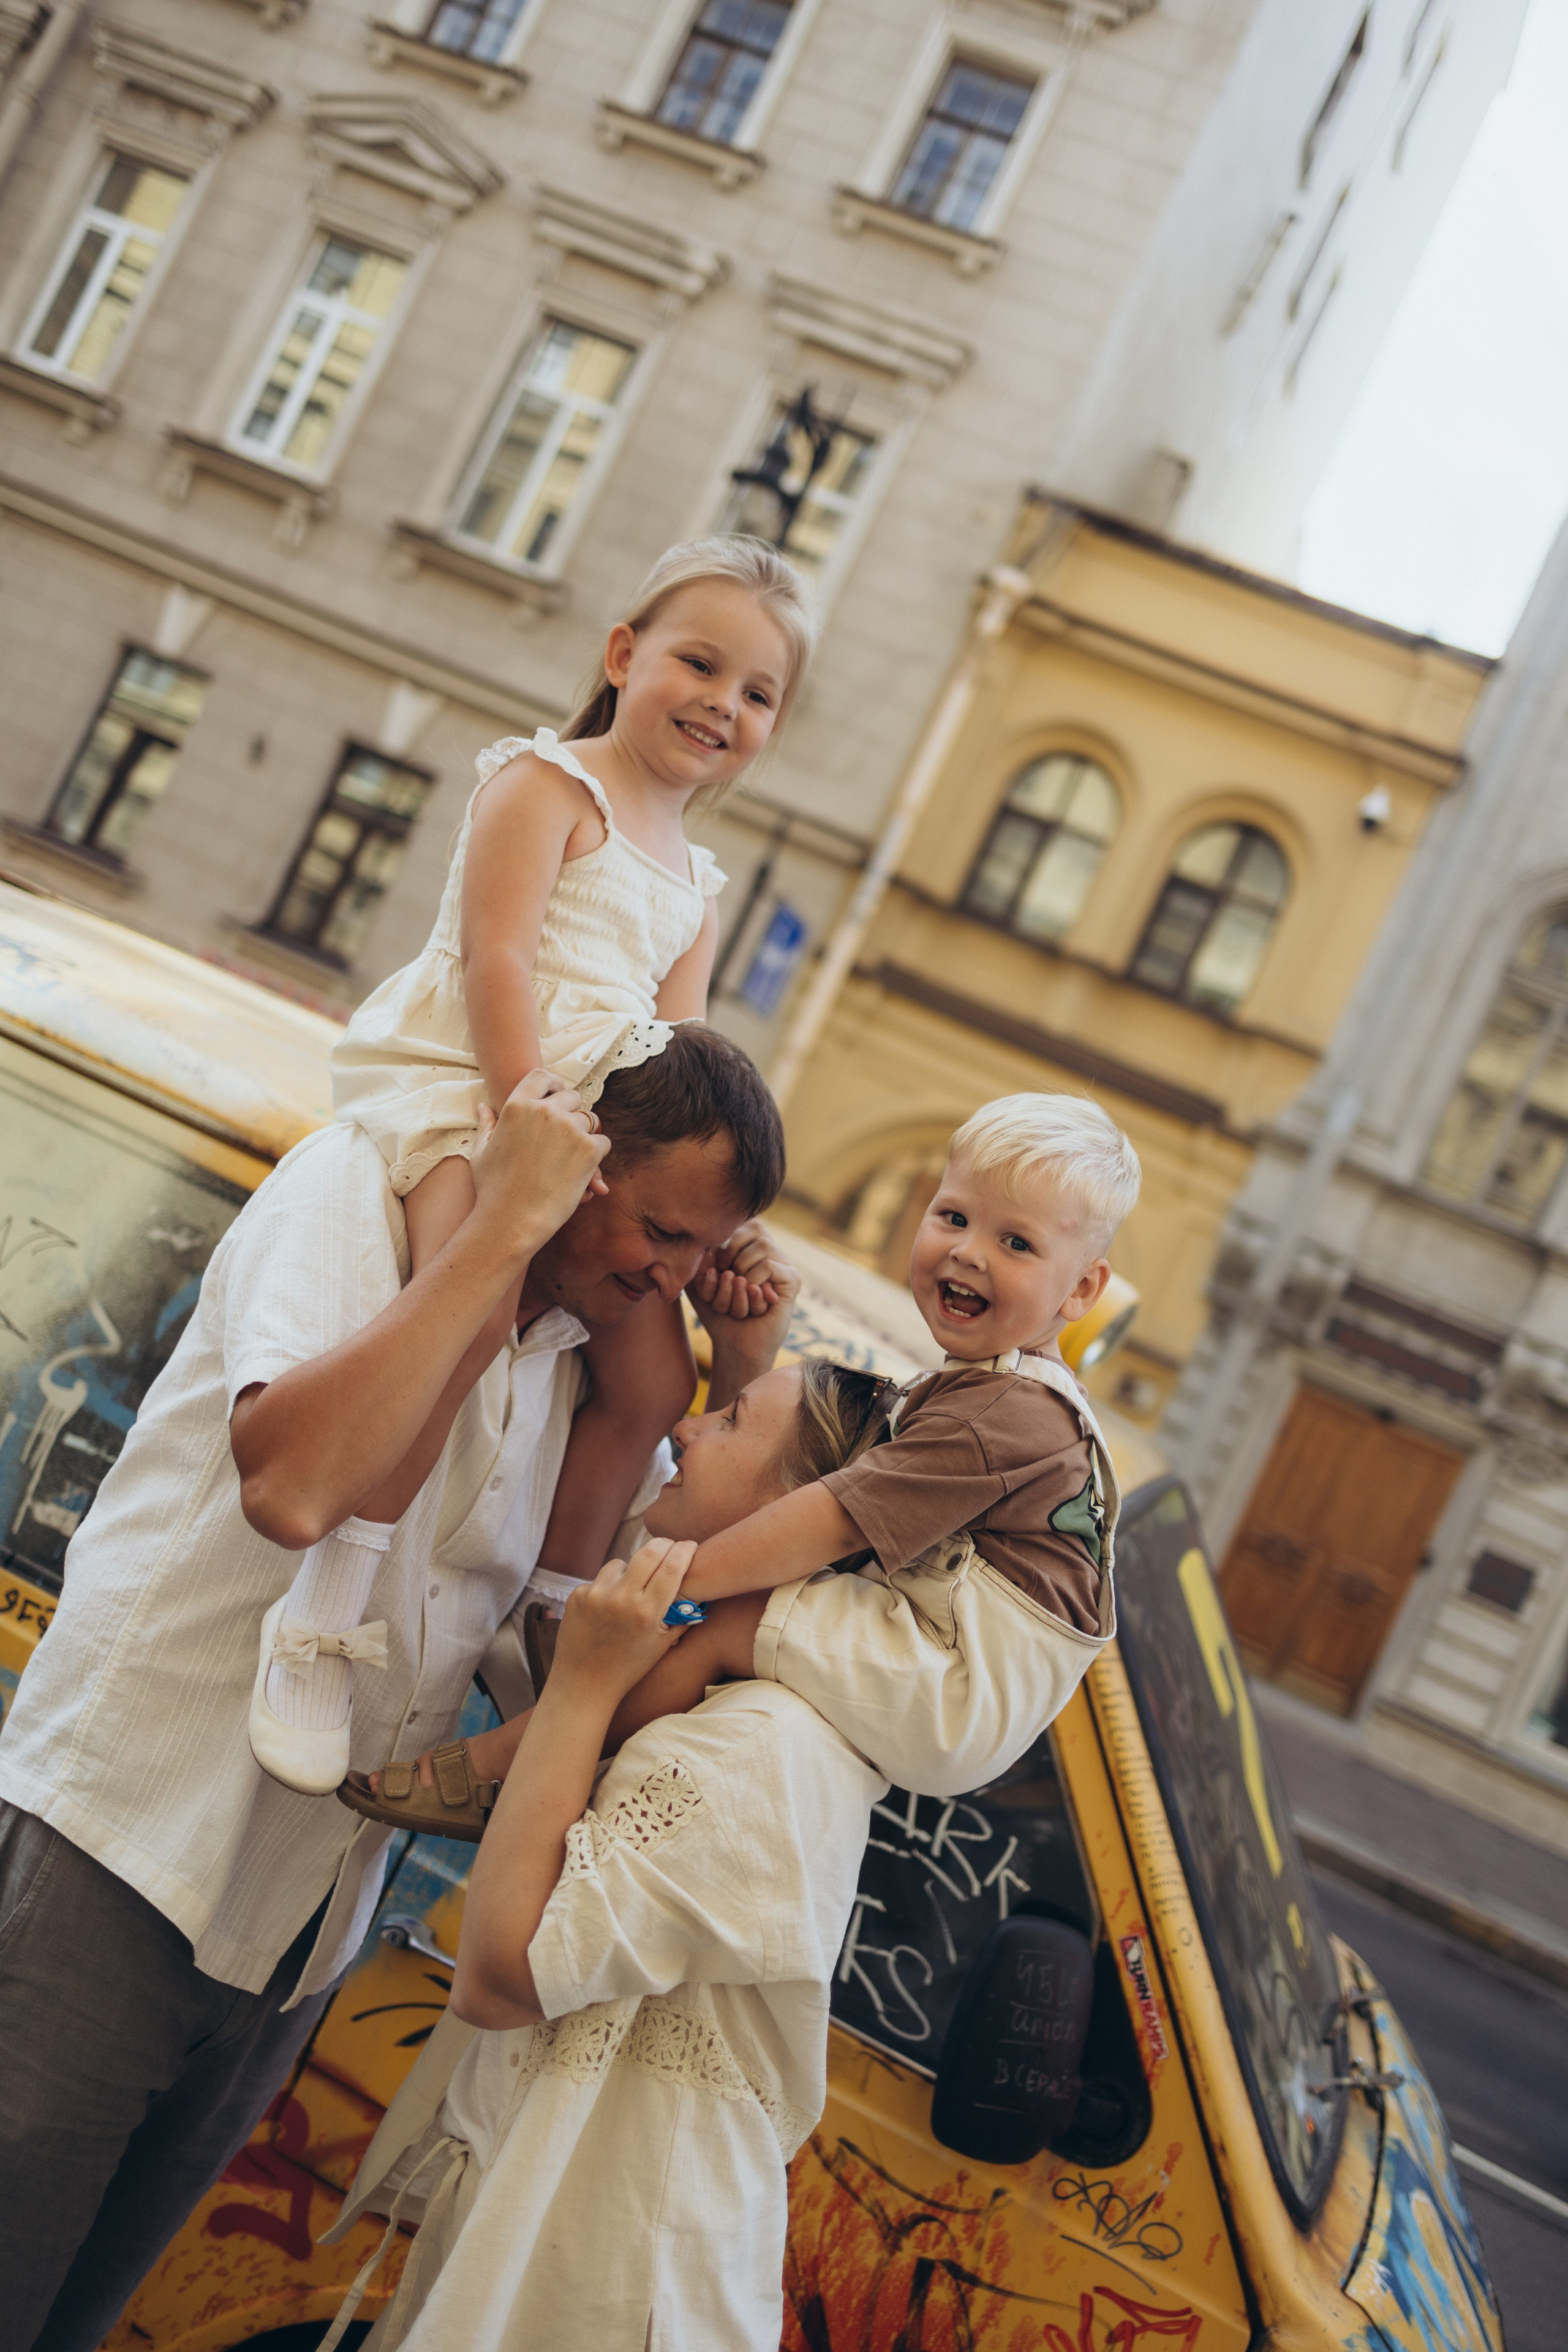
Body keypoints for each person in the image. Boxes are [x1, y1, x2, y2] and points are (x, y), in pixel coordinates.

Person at [0, 1023, 789, 2352]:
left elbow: (561, 1658)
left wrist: (745, 1369)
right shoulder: (353, 1189)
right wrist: (498, 1232)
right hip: (125, 1847)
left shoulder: (585, 1352)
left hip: (300, 1932)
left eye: (698, 1257)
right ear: (577, 1159)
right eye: (659, 1231)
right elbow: (296, 1484)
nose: (667, 1276)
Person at [258, 538, 816, 1793]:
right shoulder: (545, 785)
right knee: (465, 1309)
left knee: (649, 1370)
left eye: (758, 692)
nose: (722, 702)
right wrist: (526, 1127)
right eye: (698, 662)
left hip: (595, 1145)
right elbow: (498, 960)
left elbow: (676, 1059)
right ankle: (323, 1609)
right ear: (623, 656)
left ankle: (552, 1608)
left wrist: (702, 1223)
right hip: (472, 1088)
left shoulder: (697, 879)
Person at [352, 1091, 1140, 1842]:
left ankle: (495, 1767)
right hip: (955, 1673)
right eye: (954, 1216)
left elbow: (822, 1518)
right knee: (747, 1605)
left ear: (1082, 1290)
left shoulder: (1003, 1416)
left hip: (956, 1692)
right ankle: (594, 1667)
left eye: (1016, 1243)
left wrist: (663, 1590)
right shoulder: (993, 1397)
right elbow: (780, 1490)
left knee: (731, 1622)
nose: (968, 1251)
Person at [318, 1359, 891, 2352]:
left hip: (620, 2288)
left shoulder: (754, 1748)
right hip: (567, 2249)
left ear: (801, 1515)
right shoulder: (706, 1685)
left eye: (734, 1418)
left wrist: (579, 1692)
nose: (694, 1427)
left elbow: (501, 1977)